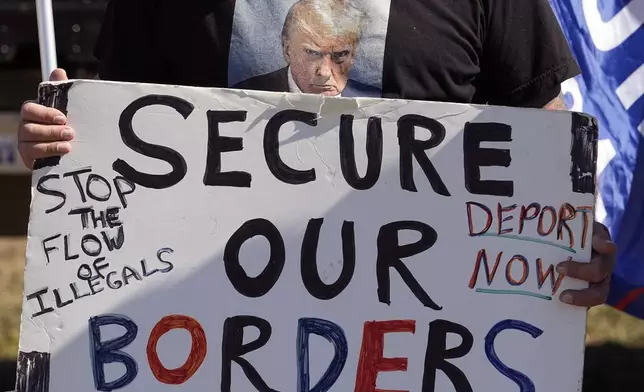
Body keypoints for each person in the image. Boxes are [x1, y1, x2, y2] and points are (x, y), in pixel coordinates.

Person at [17, 0, 616, 308]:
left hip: (430, 347)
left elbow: (538, 120)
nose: (328, 73)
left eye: (342, 58)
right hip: (213, 344)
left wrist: (563, 232)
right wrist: (60, 147)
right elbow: (120, 137)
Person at [232, 0, 381, 97]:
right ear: (287, 50)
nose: (324, 72)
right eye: (312, 53)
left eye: (340, 54)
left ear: (353, 54)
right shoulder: (241, 96)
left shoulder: (379, 103)